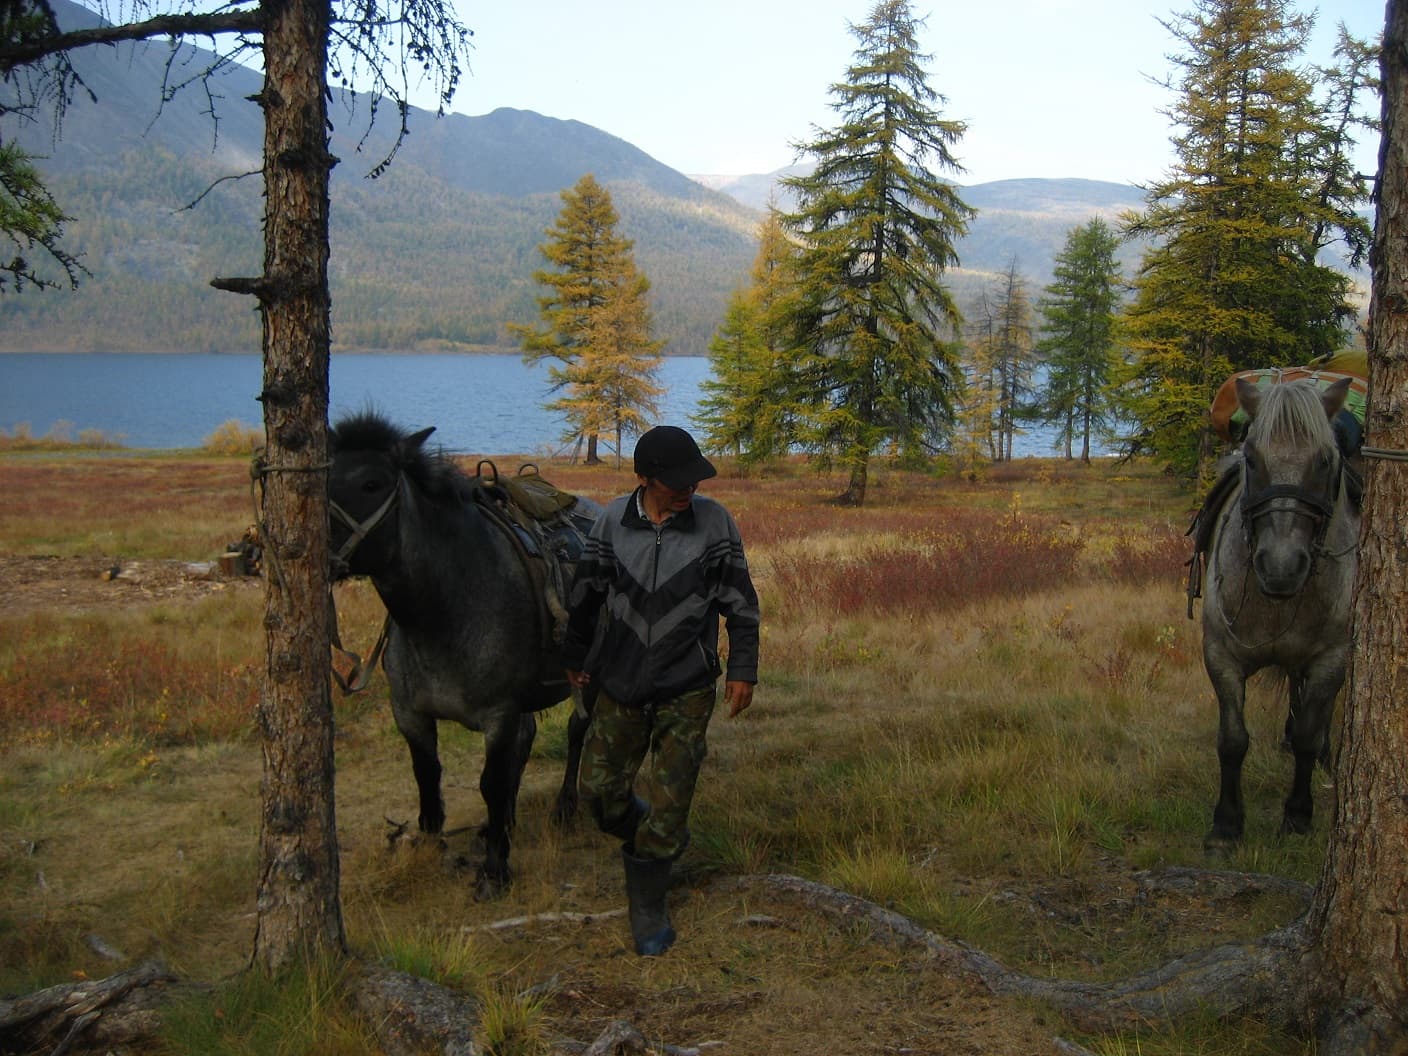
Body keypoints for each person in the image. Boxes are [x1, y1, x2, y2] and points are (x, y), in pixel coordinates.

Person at [562, 425, 760, 956]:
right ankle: (656, 831)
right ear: (646, 478)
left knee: (674, 800)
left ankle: (648, 905)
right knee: (598, 796)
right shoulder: (610, 523)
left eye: (694, 477)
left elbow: (741, 604)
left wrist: (743, 668)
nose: (689, 487)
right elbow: (584, 598)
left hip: (686, 686)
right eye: (676, 480)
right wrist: (574, 659)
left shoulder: (714, 524)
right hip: (620, 683)